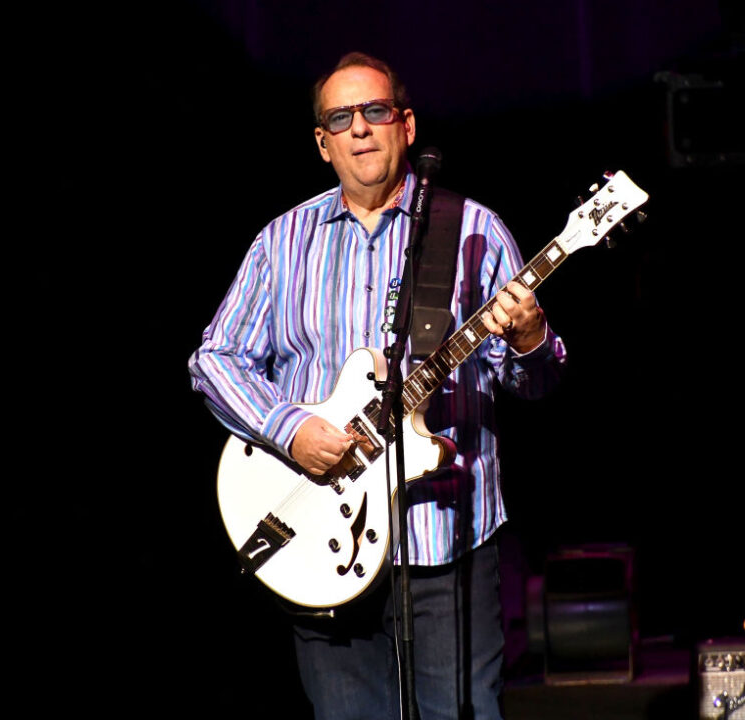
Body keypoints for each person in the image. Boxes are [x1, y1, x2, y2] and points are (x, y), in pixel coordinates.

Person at [189, 52, 566, 720]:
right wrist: (291, 430)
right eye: (341, 116)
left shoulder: (474, 231)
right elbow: (214, 359)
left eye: (375, 111)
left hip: (446, 540)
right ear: (321, 142)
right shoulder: (281, 243)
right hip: (319, 540)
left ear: (406, 124)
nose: (359, 128)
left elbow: (535, 386)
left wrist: (529, 336)